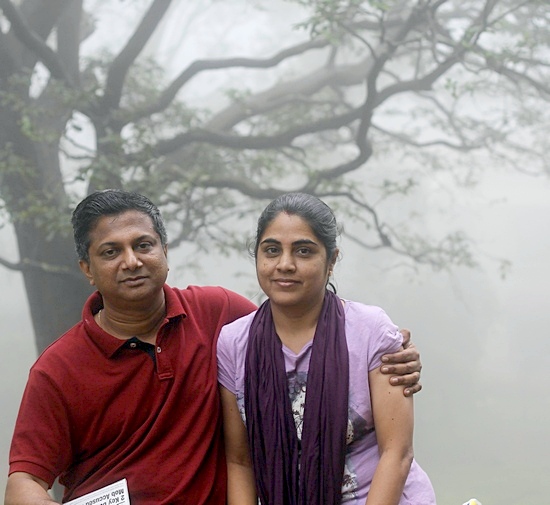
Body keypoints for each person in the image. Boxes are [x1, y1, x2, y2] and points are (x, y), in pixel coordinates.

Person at [5, 189, 423, 505]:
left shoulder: (217, 315)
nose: (131, 261)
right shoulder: (58, 369)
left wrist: (391, 346)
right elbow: (24, 480)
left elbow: (302, 316)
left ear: (165, 252)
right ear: (88, 269)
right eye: (111, 252)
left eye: (143, 245)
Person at [217, 192, 436, 505]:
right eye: (272, 250)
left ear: (331, 260)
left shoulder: (370, 330)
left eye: (303, 251)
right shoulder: (233, 343)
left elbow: (396, 453)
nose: (285, 264)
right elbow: (240, 461)